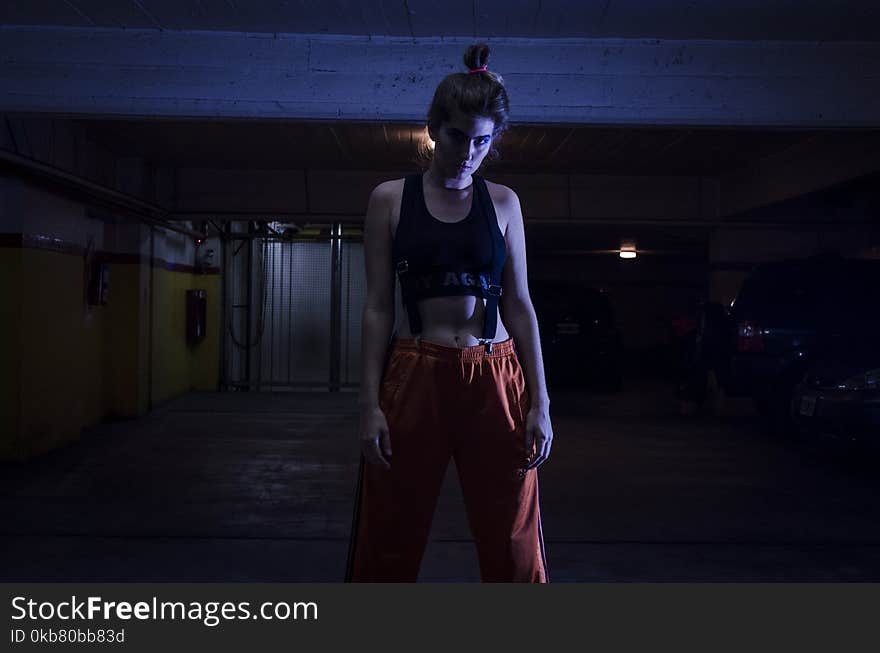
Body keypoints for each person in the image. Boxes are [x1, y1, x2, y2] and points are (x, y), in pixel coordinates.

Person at [345, 43, 554, 583]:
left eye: (483, 141)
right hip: (416, 372)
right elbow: (376, 307)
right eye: (459, 136)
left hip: (495, 373)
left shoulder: (503, 203)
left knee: (511, 528)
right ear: (434, 127)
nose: (468, 152)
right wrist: (368, 405)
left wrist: (541, 403)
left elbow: (522, 304)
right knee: (391, 524)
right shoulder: (390, 199)